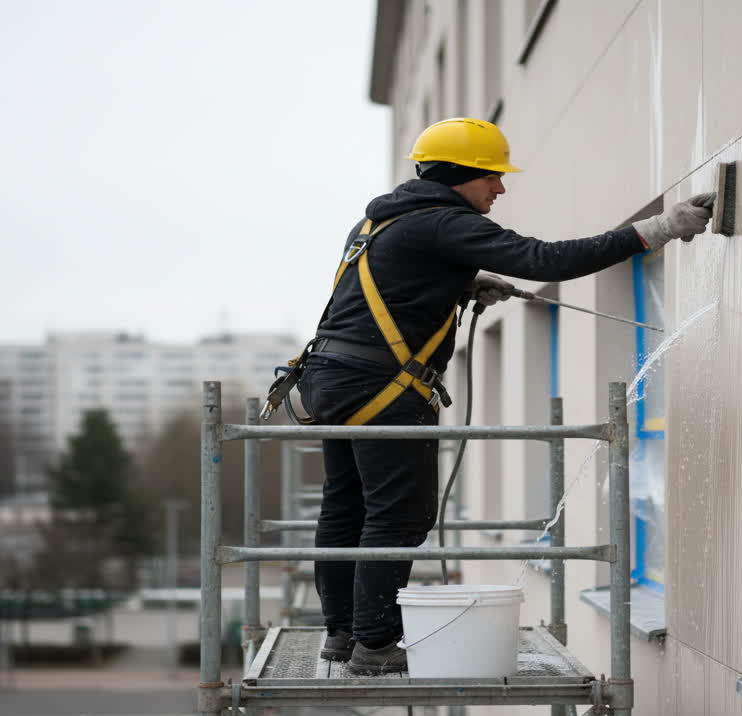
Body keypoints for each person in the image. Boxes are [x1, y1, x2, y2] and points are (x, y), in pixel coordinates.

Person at [298, 117, 713, 675]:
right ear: (459, 175)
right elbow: (548, 261)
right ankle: (374, 645)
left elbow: (387, 285)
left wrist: (456, 283)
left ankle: (343, 635)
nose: (500, 188)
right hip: (380, 389)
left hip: (330, 379)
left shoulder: (378, 221)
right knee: (398, 515)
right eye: (491, 176)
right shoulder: (444, 222)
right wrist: (657, 229)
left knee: (346, 508)